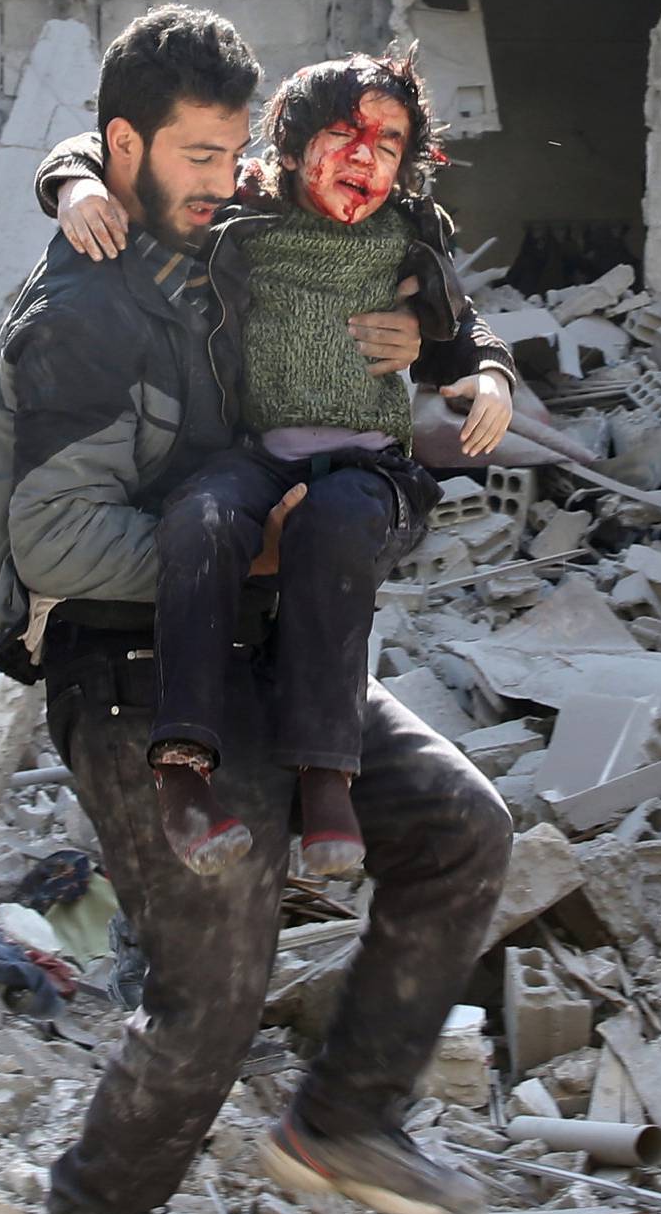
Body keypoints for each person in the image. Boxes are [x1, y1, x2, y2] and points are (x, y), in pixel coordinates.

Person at [0, 5, 513, 1214]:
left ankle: (347, 1116)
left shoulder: (238, 244)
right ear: (126, 149)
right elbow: (52, 541)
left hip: (268, 643)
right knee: (217, 974)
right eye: (200, 159)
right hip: (132, 670)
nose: (230, 183)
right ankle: (86, 1213)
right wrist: (258, 549)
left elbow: (413, 284)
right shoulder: (81, 315)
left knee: (459, 828)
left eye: (234, 156)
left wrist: (460, 369)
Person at [52, 47, 515, 883]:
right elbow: (117, 155)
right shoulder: (240, 212)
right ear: (293, 147)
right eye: (344, 136)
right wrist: (76, 186)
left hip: (372, 470)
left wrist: (489, 377)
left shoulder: (411, 232)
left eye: (388, 142)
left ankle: (326, 774)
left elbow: (463, 332)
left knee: (332, 530)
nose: (365, 157)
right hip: (256, 455)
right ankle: (183, 770)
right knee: (198, 520)